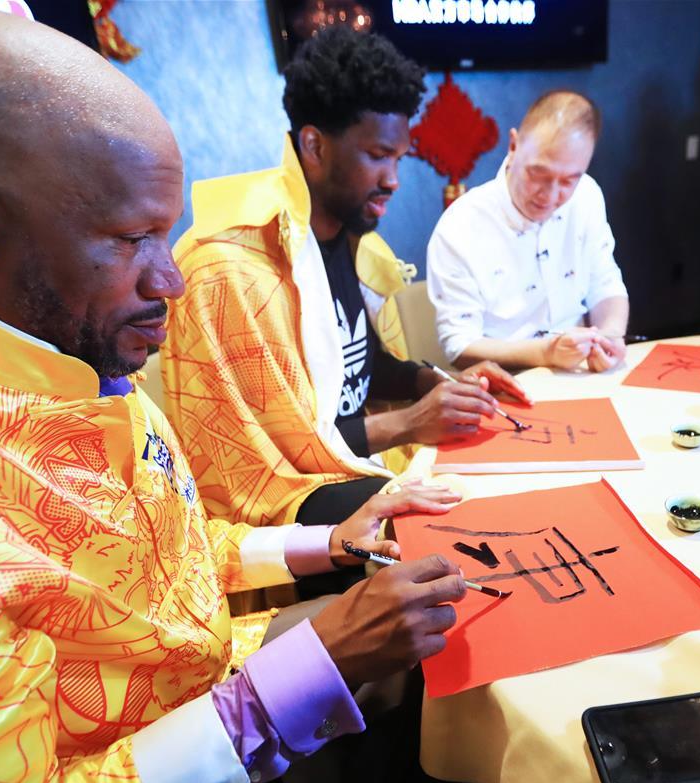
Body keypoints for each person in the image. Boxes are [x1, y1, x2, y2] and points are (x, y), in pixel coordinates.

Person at [0, 9, 469, 783]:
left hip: (190, 703)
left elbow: (155, 554)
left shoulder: (61, 342)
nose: (170, 280)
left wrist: (325, 543)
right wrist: (284, 686)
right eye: (132, 239)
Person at [160, 27, 528, 543]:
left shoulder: (348, 234)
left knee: (501, 486)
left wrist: (440, 385)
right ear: (314, 146)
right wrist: (410, 423)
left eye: (398, 158)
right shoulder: (229, 268)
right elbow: (267, 464)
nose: (394, 179)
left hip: (348, 470)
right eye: (378, 155)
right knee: (457, 525)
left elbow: (361, 366)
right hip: (281, 518)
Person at [427, 90, 630, 373]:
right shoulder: (460, 226)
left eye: (568, 181)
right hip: (505, 380)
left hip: (580, 373)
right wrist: (546, 353)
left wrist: (610, 337)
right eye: (538, 174)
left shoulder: (587, 195)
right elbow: (460, 345)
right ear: (514, 145)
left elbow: (605, 282)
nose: (551, 195)